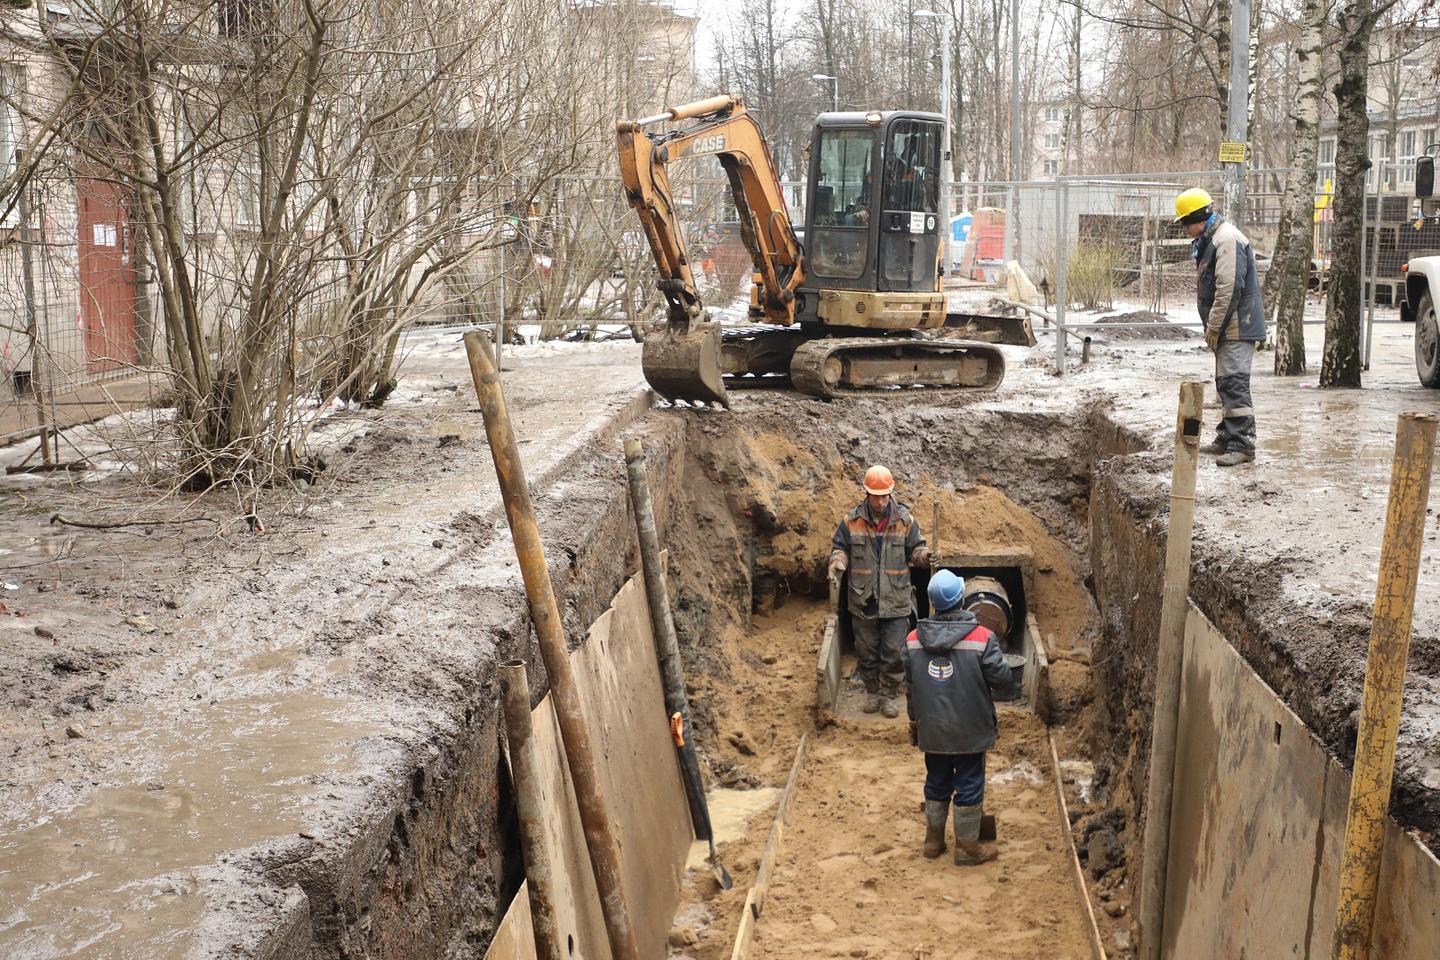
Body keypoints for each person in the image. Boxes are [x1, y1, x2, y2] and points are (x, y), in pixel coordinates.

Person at [904, 570, 1017, 865]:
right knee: (969, 782)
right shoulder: (982, 638)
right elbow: (1003, 679)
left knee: (937, 779)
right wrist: (1005, 690)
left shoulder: (913, 640)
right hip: (971, 729)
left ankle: (933, 842)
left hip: (933, 730)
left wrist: (915, 723)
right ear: (961, 600)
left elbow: (910, 687)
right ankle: (967, 849)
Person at [828, 464, 929, 719]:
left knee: (894, 651)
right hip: (863, 599)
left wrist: (925, 557)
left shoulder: (906, 521)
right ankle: (872, 692)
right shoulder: (851, 521)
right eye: (876, 495)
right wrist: (838, 561)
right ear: (867, 493)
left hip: (895, 599)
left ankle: (889, 695)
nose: (881, 500)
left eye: (885, 495)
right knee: (867, 651)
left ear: (891, 493)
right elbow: (839, 547)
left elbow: (915, 551)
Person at [1174, 187, 1266, 467]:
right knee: (1225, 381)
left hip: (1237, 325)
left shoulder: (1226, 240)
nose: (1185, 229)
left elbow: (1228, 289)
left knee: (1235, 383)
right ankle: (1227, 438)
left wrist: (1213, 327)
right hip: (1230, 325)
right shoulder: (1212, 239)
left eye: (1185, 223)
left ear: (1197, 217)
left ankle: (1243, 444)